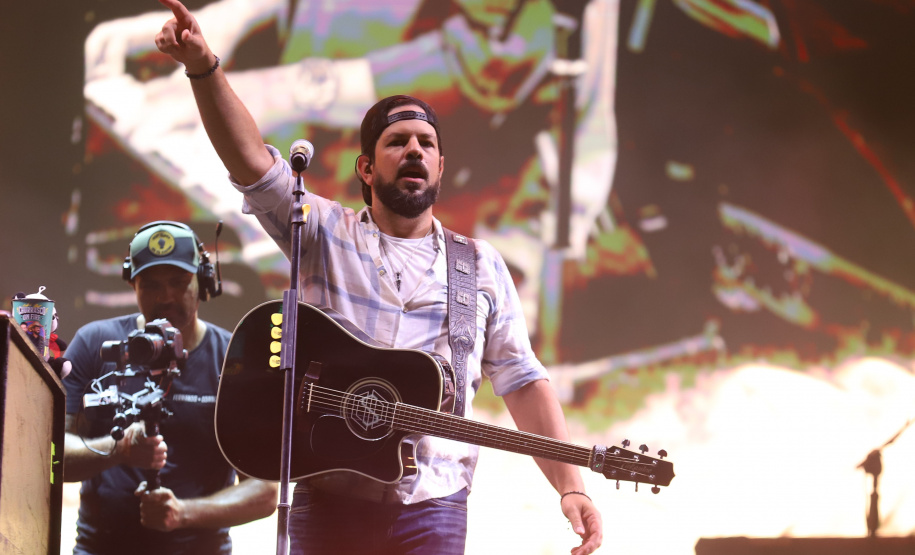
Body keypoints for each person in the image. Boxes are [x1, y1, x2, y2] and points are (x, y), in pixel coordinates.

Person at [155, 1, 604, 553]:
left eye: (426, 144)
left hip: (433, 507)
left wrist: (570, 484)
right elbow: (250, 161)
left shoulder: (481, 266)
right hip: (330, 501)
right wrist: (203, 66)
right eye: (397, 142)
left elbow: (521, 380)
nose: (414, 149)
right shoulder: (320, 231)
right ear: (366, 168)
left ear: (439, 167)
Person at [63, 220, 277, 554]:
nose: (166, 297)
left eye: (179, 282)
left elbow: (264, 490)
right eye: (150, 285)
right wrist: (118, 449)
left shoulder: (231, 360)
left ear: (203, 282)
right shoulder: (94, 344)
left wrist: (183, 514)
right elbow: (52, 455)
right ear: (132, 285)